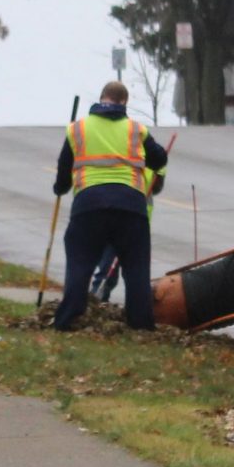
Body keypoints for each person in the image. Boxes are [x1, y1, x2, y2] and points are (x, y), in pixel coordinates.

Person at [51, 82, 169, 330]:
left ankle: (68, 318)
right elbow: (159, 158)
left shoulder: (77, 129)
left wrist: (60, 188)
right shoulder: (136, 130)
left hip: (89, 205)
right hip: (131, 206)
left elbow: (63, 172)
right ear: (124, 102)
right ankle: (140, 323)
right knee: (136, 268)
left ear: (101, 98)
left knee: (80, 263)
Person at [90, 162, 164, 303]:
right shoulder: (120, 150)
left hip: (137, 222)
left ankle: (137, 314)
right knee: (108, 271)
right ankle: (95, 305)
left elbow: (157, 186)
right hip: (115, 219)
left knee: (135, 275)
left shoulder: (153, 154)